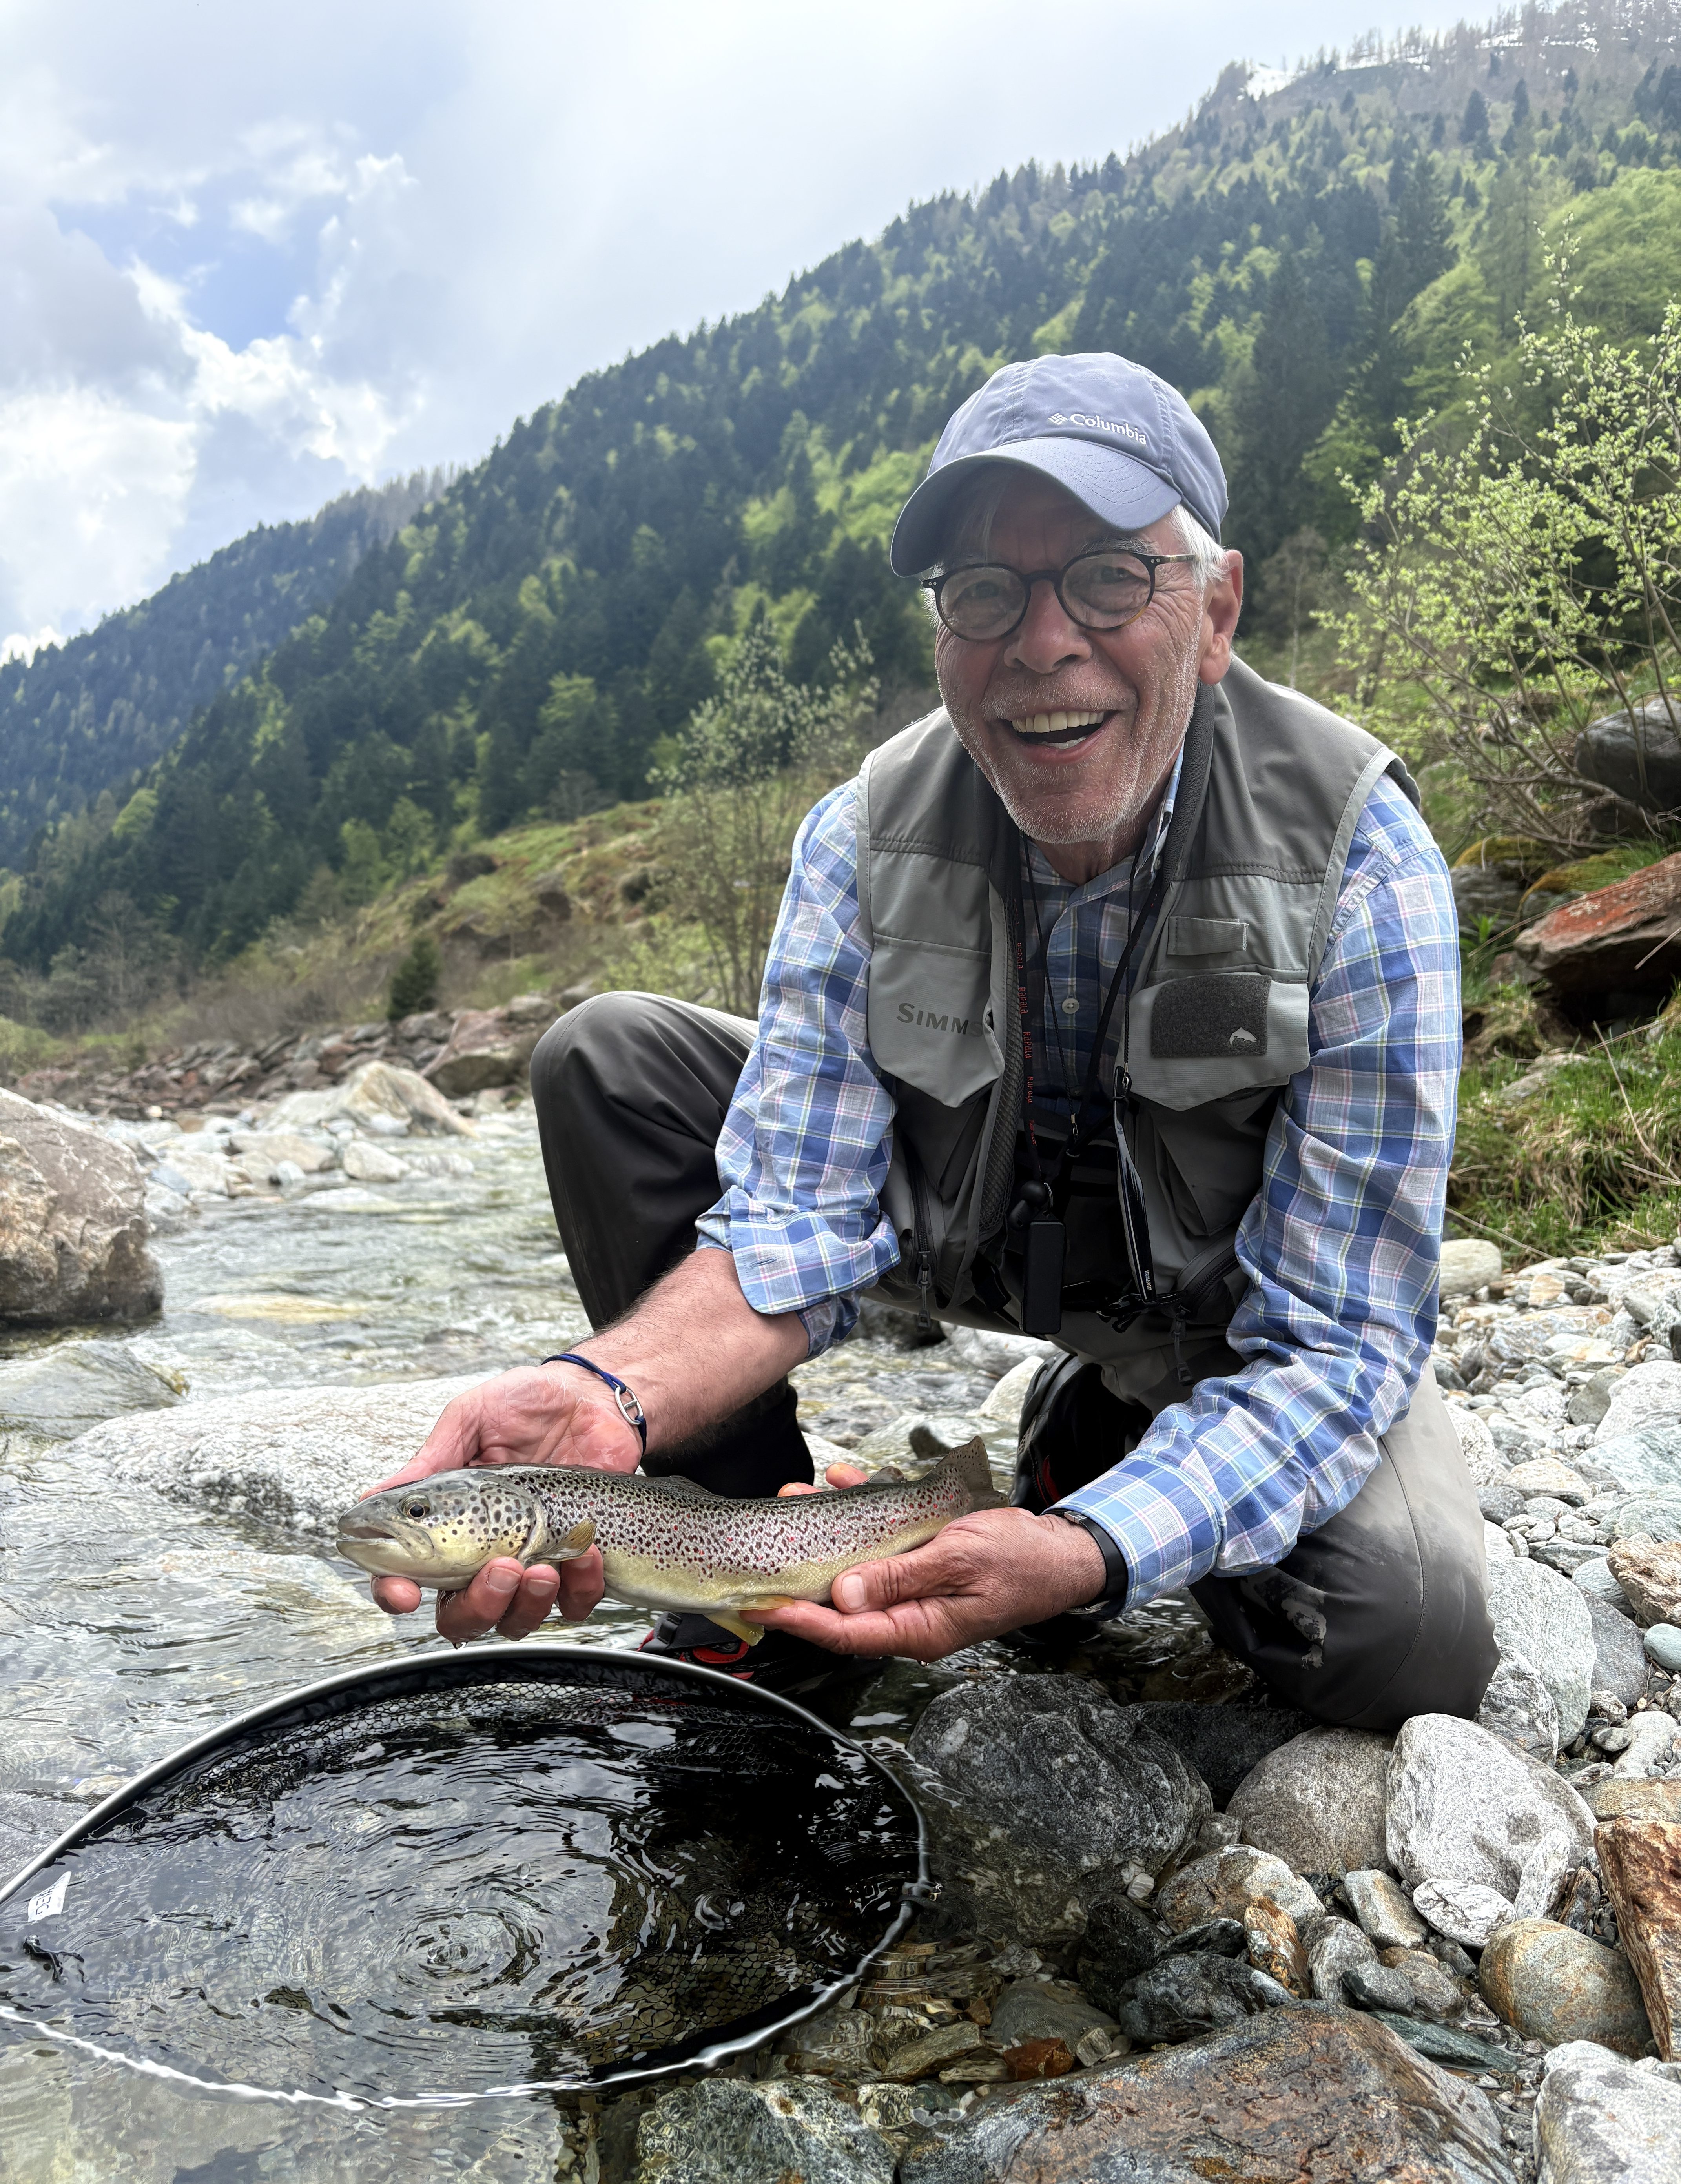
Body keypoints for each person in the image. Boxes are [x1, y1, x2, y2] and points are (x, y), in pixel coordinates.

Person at [368, 351, 1496, 1728]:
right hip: (952, 1241)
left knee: (1409, 1642)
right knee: (608, 1057)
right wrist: (605, 1390)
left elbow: (1335, 1345)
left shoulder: (1361, 866)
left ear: (1214, 612)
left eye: (1106, 577)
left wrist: (1092, 1552)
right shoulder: (863, 834)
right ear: (942, 627)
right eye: (983, 592)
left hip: (1213, 1324)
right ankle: (750, 1583)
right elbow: (794, 1219)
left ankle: (1096, 1444)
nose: (1040, 642)